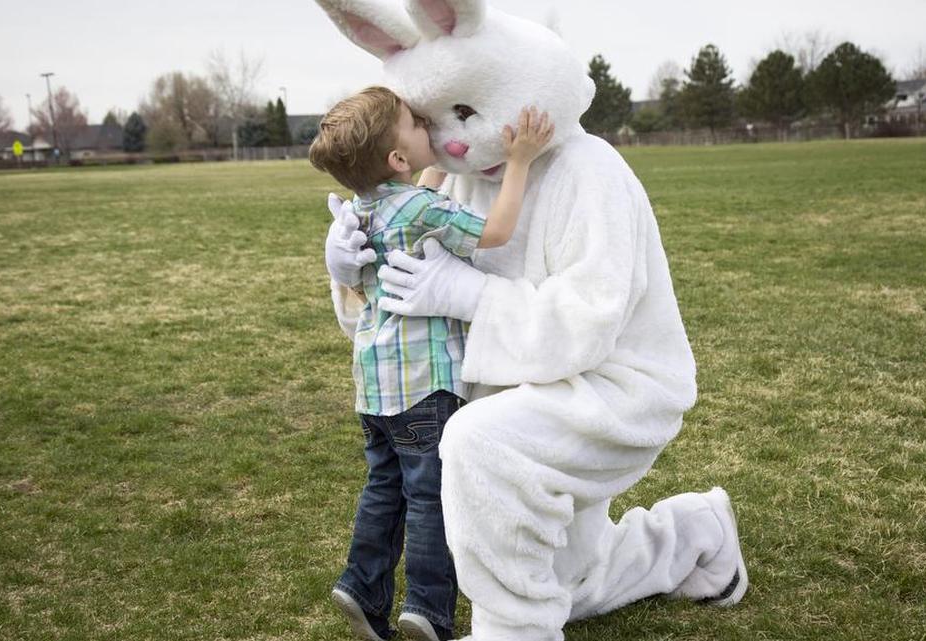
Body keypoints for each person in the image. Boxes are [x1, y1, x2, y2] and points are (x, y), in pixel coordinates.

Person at [315, 2, 748, 640]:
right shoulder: (451, 183)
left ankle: (514, 631)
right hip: (517, 388)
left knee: (473, 442)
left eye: (465, 114)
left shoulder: (590, 171)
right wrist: (351, 274)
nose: (452, 140)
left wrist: (472, 298)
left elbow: (589, 321)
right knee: (573, 580)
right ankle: (694, 532)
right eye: (433, 121)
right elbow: (400, 320)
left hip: (614, 388)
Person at [308, 85, 555, 641]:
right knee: (430, 500)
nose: (428, 125)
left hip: (374, 383)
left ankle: (361, 586)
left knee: (384, 488)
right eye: (416, 123)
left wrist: (435, 162)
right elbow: (495, 232)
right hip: (425, 384)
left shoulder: (361, 210)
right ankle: (427, 608)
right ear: (398, 157)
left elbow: (414, 191)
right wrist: (519, 161)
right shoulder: (423, 208)